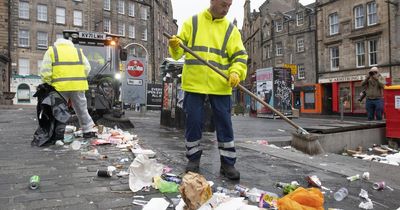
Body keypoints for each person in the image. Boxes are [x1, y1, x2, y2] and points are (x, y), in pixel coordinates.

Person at [168, 0, 248, 180]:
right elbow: (178, 52)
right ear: (213, 1)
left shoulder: (230, 30)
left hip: (220, 85)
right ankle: (193, 159)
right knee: (193, 122)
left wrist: (236, 72)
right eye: (223, 4)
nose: (226, 9)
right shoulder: (193, 22)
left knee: (224, 124)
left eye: (229, 5)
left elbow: (240, 57)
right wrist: (175, 45)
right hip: (194, 84)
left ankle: (228, 163)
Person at [40, 38, 96, 138]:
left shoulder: (52, 51)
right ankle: (88, 130)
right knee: (81, 109)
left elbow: (45, 70)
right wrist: (79, 78)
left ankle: (58, 132)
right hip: (78, 86)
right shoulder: (78, 51)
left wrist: (47, 83)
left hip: (60, 86)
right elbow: (87, 68)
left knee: (59, 110)